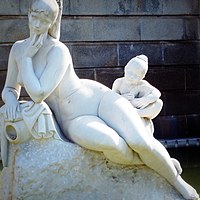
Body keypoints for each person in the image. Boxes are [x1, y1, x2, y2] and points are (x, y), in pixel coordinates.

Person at [1, 0, 199, 199]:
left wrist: (26, 59)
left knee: (141, 142)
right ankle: (154, 162)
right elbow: (12, 89)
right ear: (28, 14)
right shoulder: (19, 50)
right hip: (72, 119)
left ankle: (176, 181)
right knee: (113, 144)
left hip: (97, 97)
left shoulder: (58, 50)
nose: (36, 25)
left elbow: (38, 93)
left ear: (51, 23)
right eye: (34, 17)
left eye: (43, 21)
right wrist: (11, 98)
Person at [112, 55, 163, 121]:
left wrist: (147, 99)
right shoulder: (119, 82)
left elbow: (157, 93)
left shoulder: (142, 83)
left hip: (137, 108)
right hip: (123, 107)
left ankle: (138, 113)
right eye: (130, 72)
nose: (132, 76)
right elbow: (111, 98)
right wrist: (122, 97)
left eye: (137, 76)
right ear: (125, 69)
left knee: (159, 103)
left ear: (142, 77)